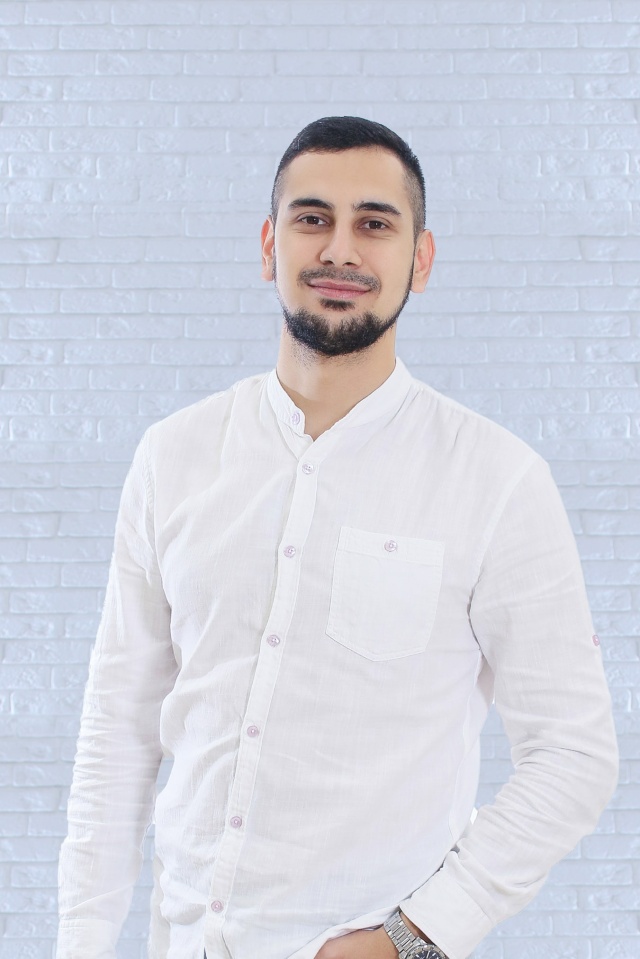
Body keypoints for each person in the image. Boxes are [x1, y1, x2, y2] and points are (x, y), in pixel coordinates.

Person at [56, 116, 618, 959]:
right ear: (269, 246)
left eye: (375, 223)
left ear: (421, 259)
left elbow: (573, 752)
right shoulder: (173, 456)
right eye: (312, 218)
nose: (340, 249)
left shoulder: (497, 481)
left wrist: (410, 938)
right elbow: (118, 729)